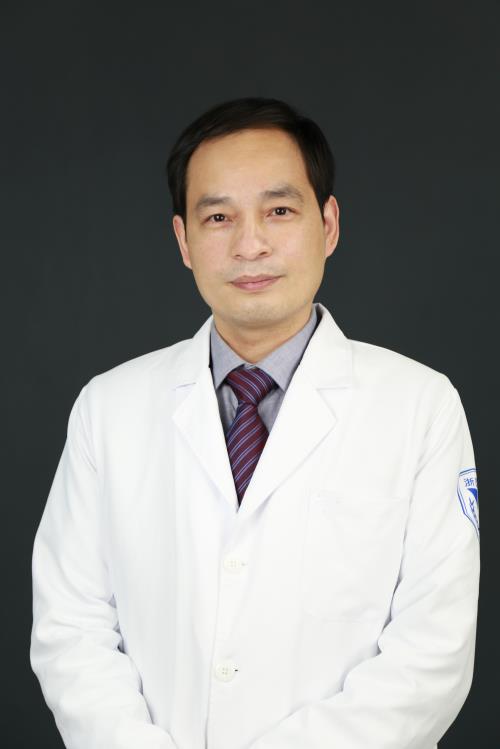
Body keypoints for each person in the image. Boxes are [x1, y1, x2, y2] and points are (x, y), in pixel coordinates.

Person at [30, 97, 480, 749]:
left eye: (279, 210)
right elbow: (71, 627)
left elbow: (430, 656)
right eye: (218, 217)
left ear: (328, 224)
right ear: (183, 241)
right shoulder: (109, 409)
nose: (250, 245)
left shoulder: (420, 406)